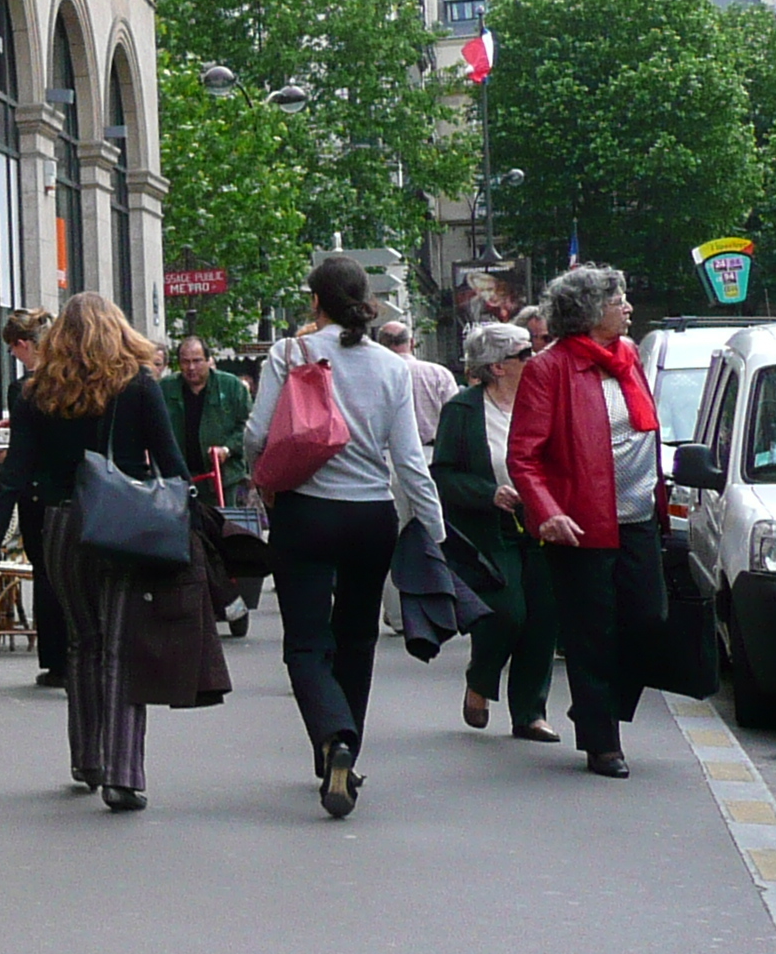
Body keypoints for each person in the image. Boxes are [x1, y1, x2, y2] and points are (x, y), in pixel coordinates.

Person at [241, 255, 444, 819]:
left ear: (315, 301)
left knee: (306, 642)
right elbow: (407, 459)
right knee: (356, 638)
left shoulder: (292, 352)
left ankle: (332, 738)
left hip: (305, 513)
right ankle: (347, 748)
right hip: (370, 516)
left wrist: (264, 479)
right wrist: (435, 530)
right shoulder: (392, 367)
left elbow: (258, 432)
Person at [0, 293, 184, 811]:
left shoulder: (34, 392)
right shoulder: (138, 386)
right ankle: (123, 773)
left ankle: (86, 757)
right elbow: (173, 463)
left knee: (81, 642)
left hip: (62, 524)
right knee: (120, 645)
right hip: (126, 526)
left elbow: (14, 476)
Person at [506, 265, 661, 780]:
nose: (628, 308)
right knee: (592, 634)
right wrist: (547, 512)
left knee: (646, 622)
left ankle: (594, 708)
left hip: (638, 515)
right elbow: (524, 456)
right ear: (591, 311)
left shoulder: (628, 357)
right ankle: (602, 742)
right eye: (619, 300)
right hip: (582, 523)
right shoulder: (549, 369)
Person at [435, 322, 556, 742]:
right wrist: (489, 493)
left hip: (542, 523)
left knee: (542, 617)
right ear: (498, 367)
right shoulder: (463, 410)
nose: (535, 359)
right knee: (507, 612)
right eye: (525, 354)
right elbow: (445, 475)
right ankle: (481, 681)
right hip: (491, 529)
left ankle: (530, 712)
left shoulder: (543, 403)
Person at [0, 306, 68, 687]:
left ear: (21, 345)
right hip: (76, 493)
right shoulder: (75, 380)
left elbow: (17, 467)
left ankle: (56, 659)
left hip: (37, 494)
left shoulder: (26, 390)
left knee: (46, 574)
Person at [157, 338, 249, 499]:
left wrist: (227, 449)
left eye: (197, 361)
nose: (191, 368)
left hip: (223, 479)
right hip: (178, 480)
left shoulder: (231, 386)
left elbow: (248, 427)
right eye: (185, 362)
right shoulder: (165, 388)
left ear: (208, 360)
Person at [378, 318, 457, 448]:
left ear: (380, 344)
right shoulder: (439, 374)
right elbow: (455, 417)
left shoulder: (374, 375)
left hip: (388, 454)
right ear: (412, 343)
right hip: (435, 451)